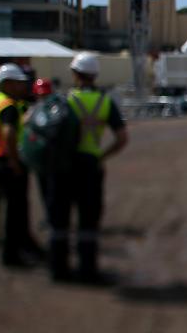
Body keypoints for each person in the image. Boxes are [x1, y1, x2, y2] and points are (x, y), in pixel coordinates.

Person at [46, 51, 128, 283]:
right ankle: (87, 270)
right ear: (95, 75)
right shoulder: (105, 103)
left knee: (59, 220)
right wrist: (101, 156)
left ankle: (58, 269)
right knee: (88, 221)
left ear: (75, 74)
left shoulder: (63, 101)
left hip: (62, 167)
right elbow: (122, 139)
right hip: (90, 166)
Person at [0, 63, 42, 267]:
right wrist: (14, 161)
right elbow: (9, 133)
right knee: (15, 209)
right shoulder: (8, 107)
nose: (23, 87)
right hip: (8, 161)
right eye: (19, 83)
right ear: (7, 84)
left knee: (7, 204)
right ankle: (11, 255)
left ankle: (24, 243)